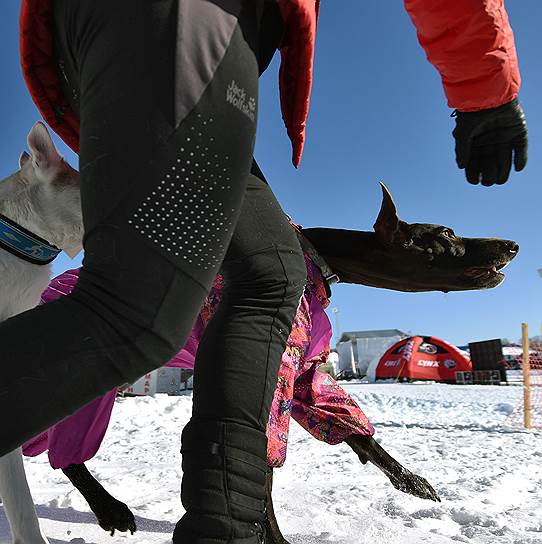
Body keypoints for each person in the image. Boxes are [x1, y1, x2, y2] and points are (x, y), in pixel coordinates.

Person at [1, 1, 528, 543]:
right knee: (138, 308)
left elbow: (303, 386)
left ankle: (229, 525)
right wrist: (487, 89)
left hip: (169, 46)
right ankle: (233, 526)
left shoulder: (313, 297)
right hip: (184, 25)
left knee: (267, 272)